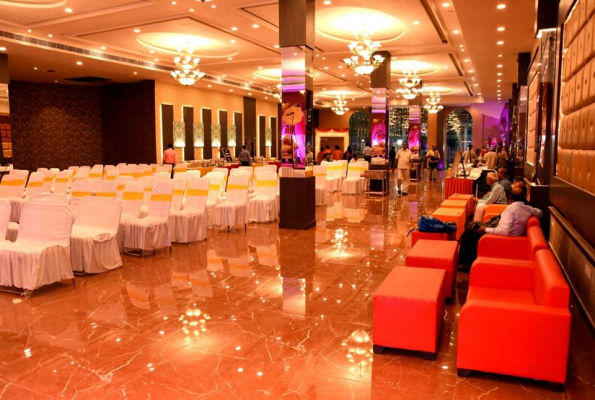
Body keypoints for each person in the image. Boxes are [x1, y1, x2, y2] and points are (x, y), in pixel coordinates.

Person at [458, 183, 542, 269]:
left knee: (470, 231)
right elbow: (540, 213)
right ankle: (462, 256)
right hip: (505, 233)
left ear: (510, 198)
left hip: (504, 238)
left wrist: (485, 229)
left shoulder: (510, 210)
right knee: (474, 224)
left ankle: (466, 262)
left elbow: (504, 231)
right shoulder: (529, 209)